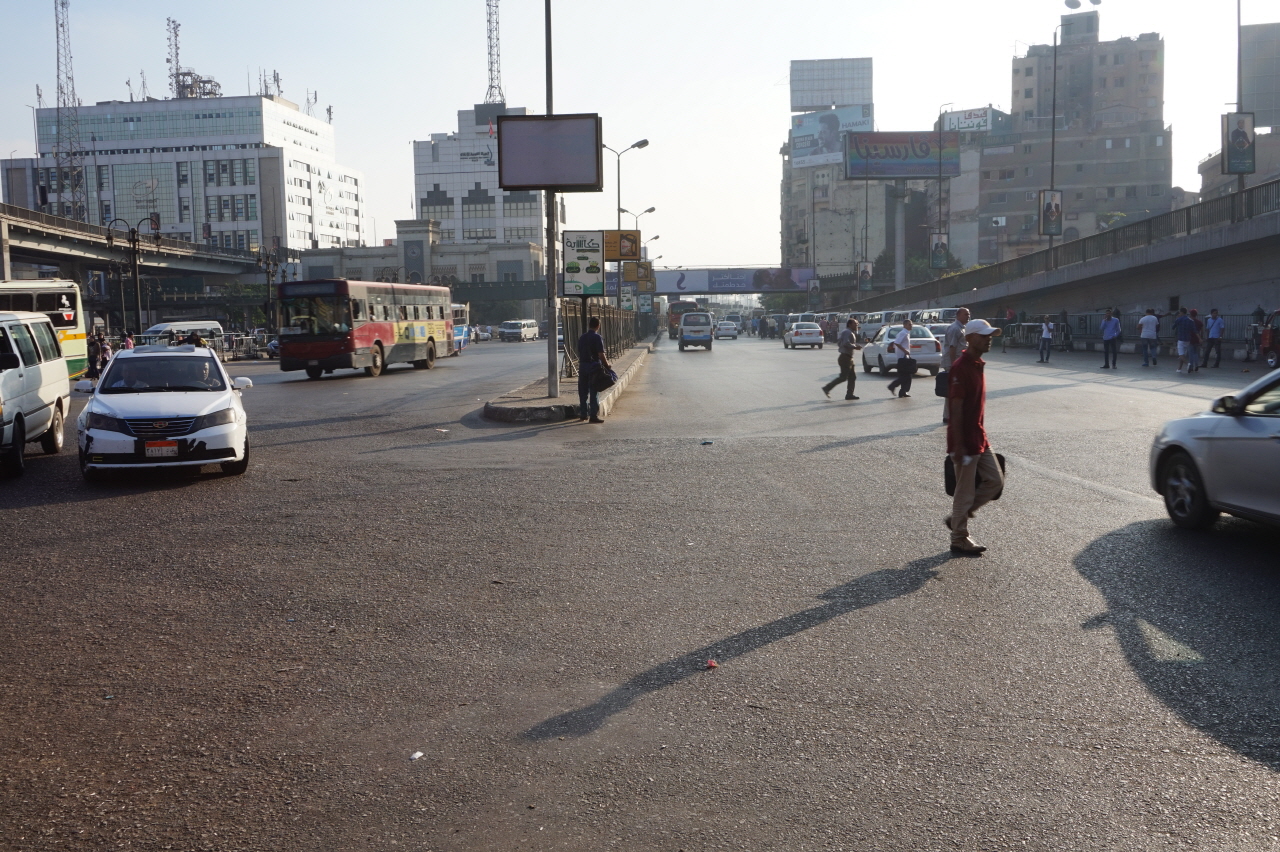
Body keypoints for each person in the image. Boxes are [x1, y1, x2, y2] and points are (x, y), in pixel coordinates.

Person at [946, 318, 1004, 556]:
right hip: (965, 441)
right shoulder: (961, 368)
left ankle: (959, 516)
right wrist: (958, 445)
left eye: (990, 335)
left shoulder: (978, 364)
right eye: (983, 335)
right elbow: (955, 410)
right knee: (964, 492)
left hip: (979, 436)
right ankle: (959, 537)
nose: (988, 338)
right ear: (969, 338)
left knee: (995, 481)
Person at [577, 316, 610, 424]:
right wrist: (607, 365)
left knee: (583, 392)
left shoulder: (582, 337)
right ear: (598, 326)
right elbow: (601, 354)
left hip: (582, 366)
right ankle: (593, 416)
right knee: (594, 391)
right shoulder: (597, 337)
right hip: (594, 367)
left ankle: (583, 414)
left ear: (589, 325)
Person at [941, 307, 971, 424]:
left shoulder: (962, 328)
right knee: (953, 390)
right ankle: (949, 416)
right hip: (952, 363)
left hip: (958, 363)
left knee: (956, 389)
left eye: (968, 314)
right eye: (965, 314)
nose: (968, 316)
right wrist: (954, 365)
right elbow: (952, 347)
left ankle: (950, 415)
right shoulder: (955, 328)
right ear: (958, 315)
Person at [821, 318, 863, 401]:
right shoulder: (847, 332)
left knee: (852, 377)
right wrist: (855, 347)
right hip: (845, 357)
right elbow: (845, 343)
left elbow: (842, 343)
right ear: (850, 324)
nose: (856, 325)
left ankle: (849, 394)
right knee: (843, 377)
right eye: (855, 324)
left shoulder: (850, 332)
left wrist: (855, 345)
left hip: (848, 357)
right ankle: (827, 388)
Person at [886, 318, 916, 398]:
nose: (911, 326)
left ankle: (903, 391)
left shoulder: (906, 333)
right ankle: (893, 386)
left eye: (911, 324)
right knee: (906, 376)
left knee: (906, 375)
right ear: (905, 325)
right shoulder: (903, 333)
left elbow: (901, 343)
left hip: (905, 356)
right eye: (909, 324)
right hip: (902, 358)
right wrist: (905, 350)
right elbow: (896, 343)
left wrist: (908, 346)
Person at [1172, 307, 1196, 374]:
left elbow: (1173, 327)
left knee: (1180, 355)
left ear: (1181, 312)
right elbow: (1194, 330)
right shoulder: (1190, 320)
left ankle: (1188, 364)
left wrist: (1177, 319)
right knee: (1183, 354)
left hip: (1181, 339)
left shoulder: (1179, 319)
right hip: (1188, 339)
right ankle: (1179, 368)